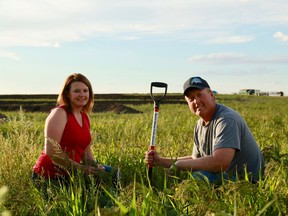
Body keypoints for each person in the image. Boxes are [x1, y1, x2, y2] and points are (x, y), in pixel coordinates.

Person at [145, 76, 264, 184]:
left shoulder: (227, 119)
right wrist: (160, 161)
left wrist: (180, 165)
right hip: (225, 177)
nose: (196, 101)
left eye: (200, 94)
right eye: (191, 99)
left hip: (246, 183)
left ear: (212, 95)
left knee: (198, 179)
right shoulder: (199, 125)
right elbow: (195, 159)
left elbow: (220, 162)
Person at [32, 73, 119, 199]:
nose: (82, 95)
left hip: (73, 171)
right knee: (85, 202)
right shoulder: (60, 113)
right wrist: (81, 169)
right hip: (50, 176)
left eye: (85, 90)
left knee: (114, 174)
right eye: (76, 91)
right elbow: (52, 152)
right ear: (67, 93)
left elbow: (86, 151)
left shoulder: (84, 117)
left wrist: (94, 166)